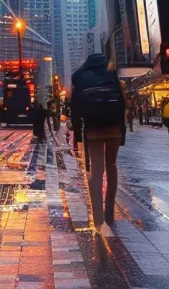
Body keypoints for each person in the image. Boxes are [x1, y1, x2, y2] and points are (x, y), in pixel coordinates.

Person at [69, 54, 125, 231]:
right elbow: (122, 103)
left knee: (97, 168)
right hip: (114, 127)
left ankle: (98, 218)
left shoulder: (80, 77)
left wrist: (77, 132)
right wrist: (122, 130)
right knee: (112, 165)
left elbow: (75, 106)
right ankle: (109, 212)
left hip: (93, 129)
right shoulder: (112, 75)